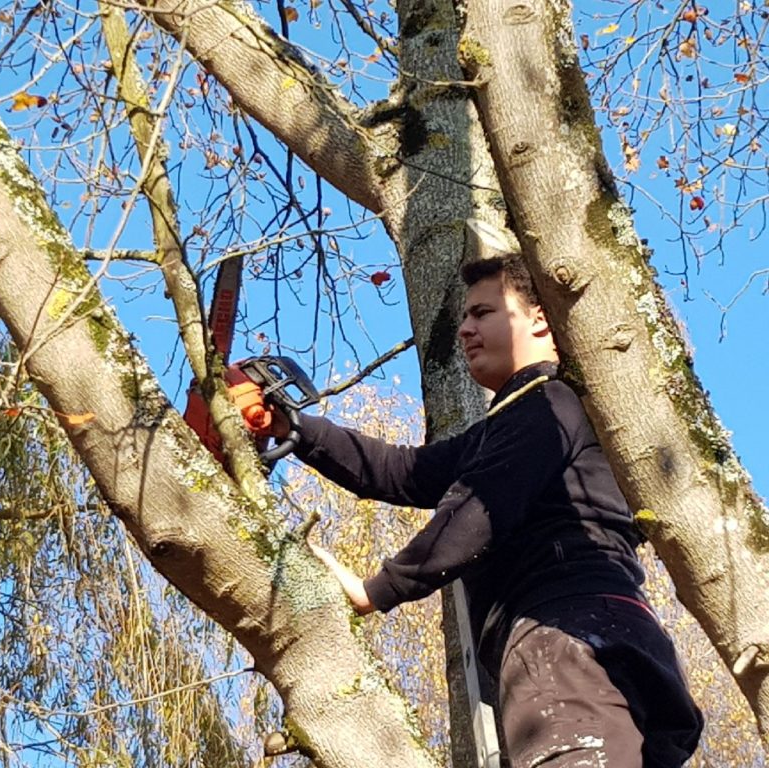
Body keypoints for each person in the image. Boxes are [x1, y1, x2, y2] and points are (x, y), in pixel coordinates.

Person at [271, 254, 703, 767]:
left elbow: (480, 505)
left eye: (482, 313)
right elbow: (401, 471)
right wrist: (293, 428)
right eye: (464, 318)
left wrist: (377, 589)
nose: (465, 330)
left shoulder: (549, 402)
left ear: (541, 316)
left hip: (566, 636)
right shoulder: (527, 422)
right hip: (612, 635)